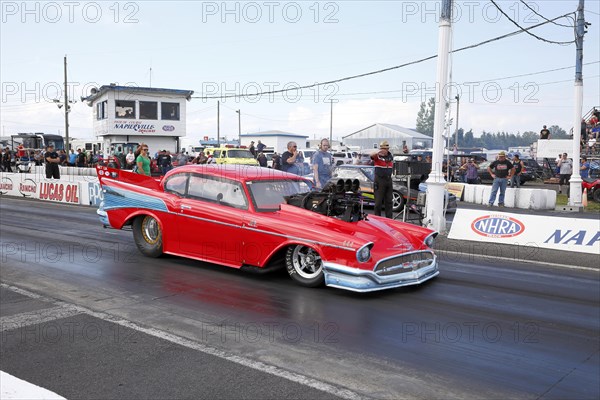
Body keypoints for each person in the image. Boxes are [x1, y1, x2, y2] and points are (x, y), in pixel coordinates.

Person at [371, 140, 394, 218]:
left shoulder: (390, 157)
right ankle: (377, 218)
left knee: (389, 201)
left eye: (385, 149)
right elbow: (371, 155)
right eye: (382, 149)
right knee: (378, 202)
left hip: (388, 179)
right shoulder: (377, 156)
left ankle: (389, 218)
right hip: (379, 180)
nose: (384, 150)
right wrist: (378, 152)